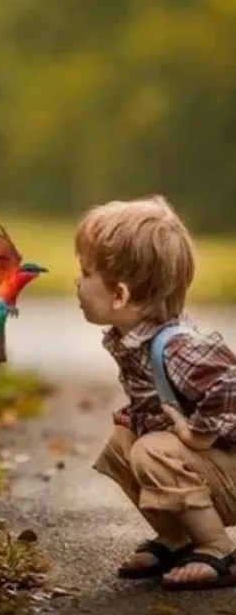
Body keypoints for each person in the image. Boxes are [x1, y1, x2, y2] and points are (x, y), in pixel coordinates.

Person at [75, 195, 236, 590]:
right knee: (124, 441)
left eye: (86, 273)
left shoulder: (179, 346)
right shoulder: (135, 338)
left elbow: (230, 383)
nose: (77, 283)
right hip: (212, 470)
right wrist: (145, 416)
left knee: (153, 450)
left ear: (121, 295)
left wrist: (199, 432)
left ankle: (219, 549)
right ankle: (179, 536)